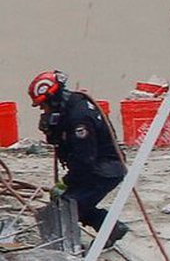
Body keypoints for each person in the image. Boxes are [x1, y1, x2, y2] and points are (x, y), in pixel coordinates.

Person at [28, 70, 129, 248]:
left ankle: (72, 246)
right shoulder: (70, 109)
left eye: (44, 106)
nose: (44, 110)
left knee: (69, 206)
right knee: (68, 202)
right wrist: (53, 132)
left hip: (104, 170)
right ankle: (112, 228)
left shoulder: (79, 117)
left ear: (53, 99)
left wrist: (65, 183)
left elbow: (84, 159)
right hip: (95, 167)